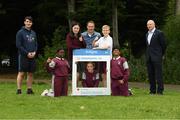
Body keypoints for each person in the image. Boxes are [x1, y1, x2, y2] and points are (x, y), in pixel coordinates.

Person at [16, 16, 38, 94]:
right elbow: (18, 45)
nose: (28, 23)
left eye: (30, 22)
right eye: (27, 21)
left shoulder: (33, 33)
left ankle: (29, 89)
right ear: (24, 22)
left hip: (32, 55)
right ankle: (19, 90)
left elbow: (36, 44)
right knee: (21, 73)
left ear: (32, 23)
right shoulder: (20, 32)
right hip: (23, 56)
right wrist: (27, 53)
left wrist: (34, 52)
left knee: (31, 73)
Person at [145, 20, 166, 95]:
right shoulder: (147, 34)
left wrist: (161, 54)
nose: (149, 26)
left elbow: (163, 45)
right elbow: (148, 46)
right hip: (149, 57)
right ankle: (152, 91)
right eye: (148, 25)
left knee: (158, 74)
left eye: (150, 24)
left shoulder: (159, 33)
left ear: (154, 24)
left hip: (157, 57)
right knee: (150, 74)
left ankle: (160, 91)